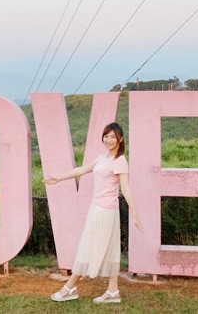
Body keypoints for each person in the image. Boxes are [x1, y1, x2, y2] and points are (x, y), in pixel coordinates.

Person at [44, 122, 142, 304]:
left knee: (88, 247)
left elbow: (126, 189)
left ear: (120, 139)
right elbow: (82, 169)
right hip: (96, 208)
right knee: (105, 249)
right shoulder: (102, 157)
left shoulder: (119, 161)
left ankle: (69, 287)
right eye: (106, 136)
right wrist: (58, 178)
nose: (108, 139)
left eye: (112, 136)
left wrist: (135, 213)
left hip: (106, 211)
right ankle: (113, 291)